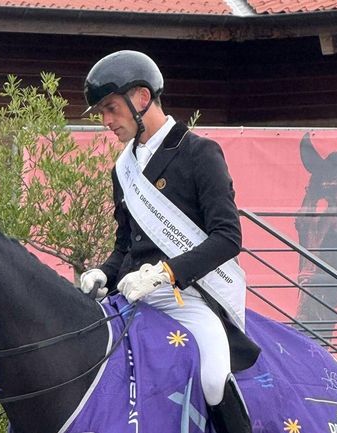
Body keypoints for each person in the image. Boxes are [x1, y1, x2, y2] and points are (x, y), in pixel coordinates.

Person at [78, 50, 258, 433]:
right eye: (102, 113)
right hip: (131, 296)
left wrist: (166, 273)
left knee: (213, 377)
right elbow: (126, 246)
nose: (106, 121)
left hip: (188, 298)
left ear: (142, 98)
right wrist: (103, 273)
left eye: (111, 108)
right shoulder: (123, 170)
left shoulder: (198, 153)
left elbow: (228, 238)